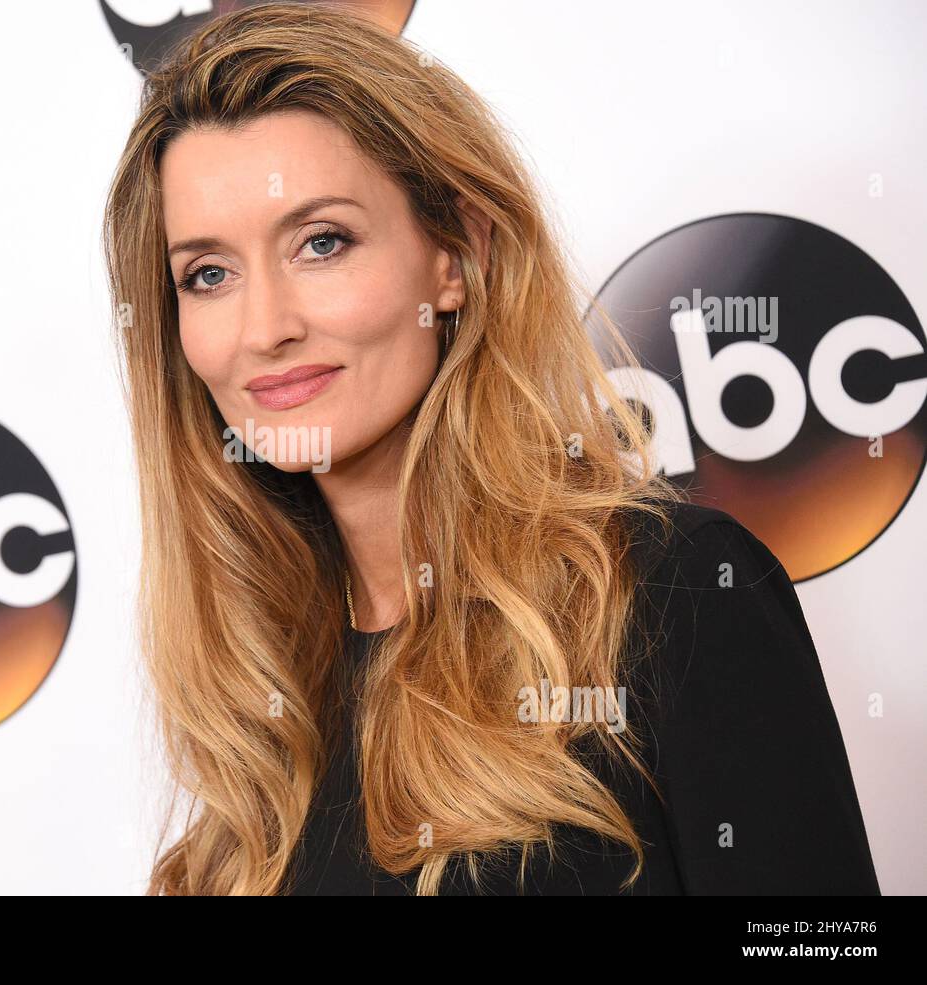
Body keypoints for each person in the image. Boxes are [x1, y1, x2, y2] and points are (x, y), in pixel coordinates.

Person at [100, 2, 880, 895]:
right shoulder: (261, 706)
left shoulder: (676, 596)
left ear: (455, 255)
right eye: (208, 274)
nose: (264, 326)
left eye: (321, 243)